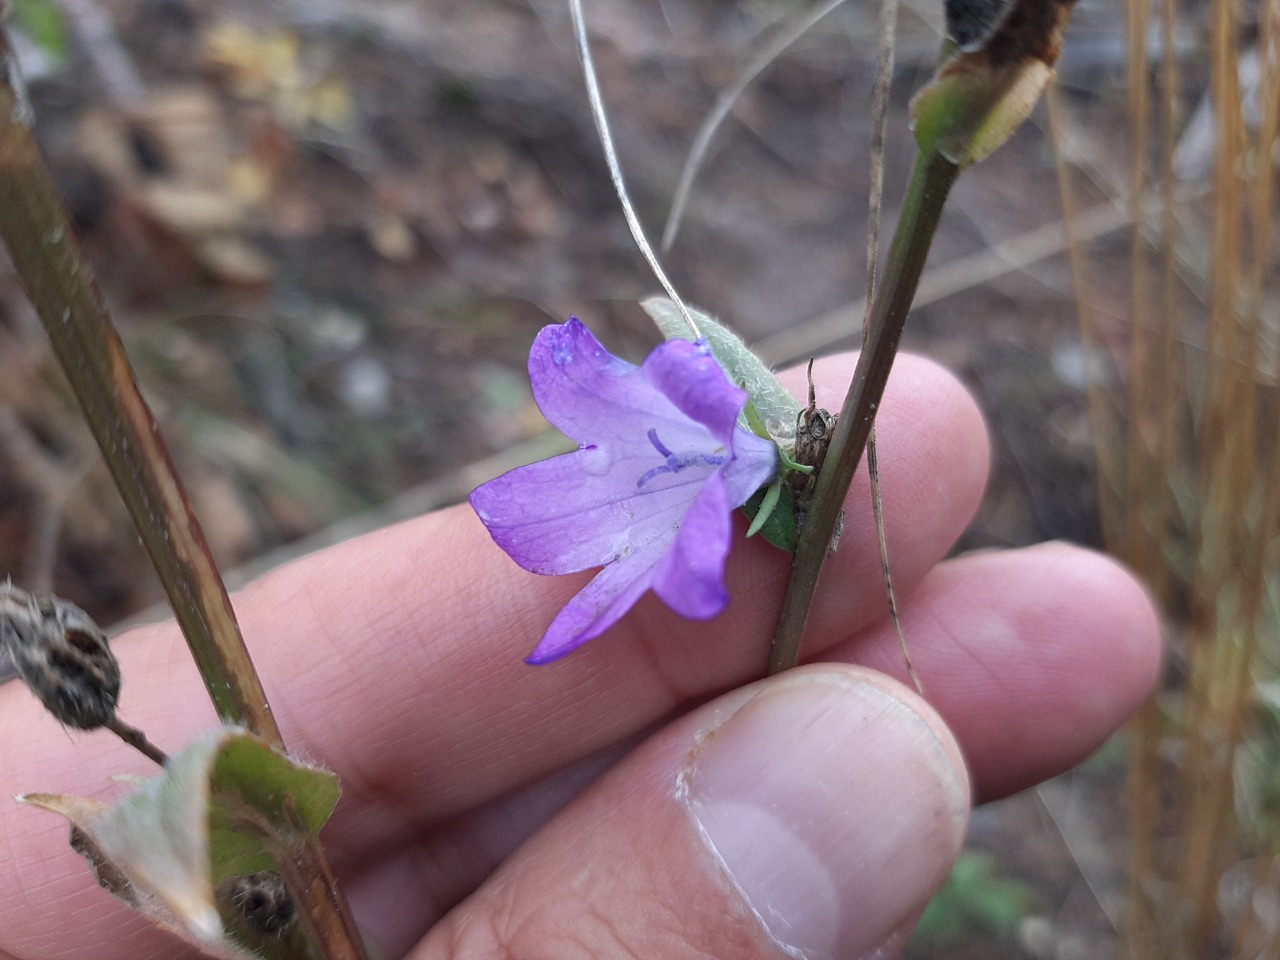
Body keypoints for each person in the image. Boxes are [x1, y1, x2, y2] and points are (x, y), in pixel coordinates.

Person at [0, 352, 1161, 960]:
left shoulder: (704, 456)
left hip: (723, 472)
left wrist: (730, 470)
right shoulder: (677, 461)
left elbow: (675, 499)